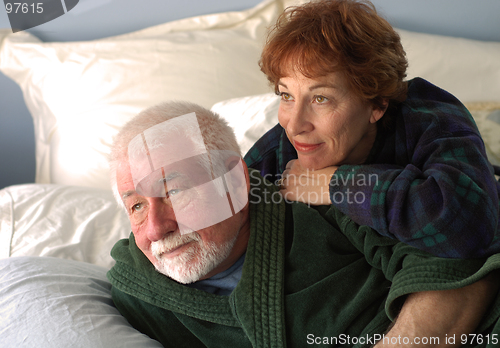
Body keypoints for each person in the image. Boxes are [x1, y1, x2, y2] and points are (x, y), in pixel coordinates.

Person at [107, 101, 500, 348]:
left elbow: (459, 264)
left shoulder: (332, 199)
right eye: (137, 205)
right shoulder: (134, 291)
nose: (156, 228)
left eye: (175, 192)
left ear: (236, 181)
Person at [244, 0, 500, 258]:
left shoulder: (434, 120)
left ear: (377, 104)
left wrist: (337, 185)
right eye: (286, 96)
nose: (295, 126)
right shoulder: (275, 152)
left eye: (321, 98)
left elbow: (470, 226)